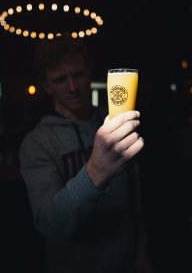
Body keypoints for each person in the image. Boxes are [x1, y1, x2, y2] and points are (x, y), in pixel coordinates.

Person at [19, 34, 153, 273]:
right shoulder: (37, 143)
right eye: (60, 79)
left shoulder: (112, 121)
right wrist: (95, 172)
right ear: (47, 86)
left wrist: (141, 249)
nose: (72, 86)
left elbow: (135, 192)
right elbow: (49, 224)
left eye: (78, 75)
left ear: (90, 72)